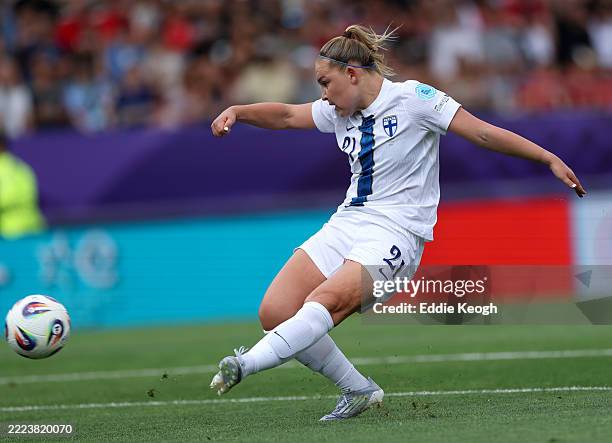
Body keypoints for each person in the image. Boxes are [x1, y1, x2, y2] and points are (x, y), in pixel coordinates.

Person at [208, 25, 586, 421]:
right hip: (347, 223)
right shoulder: (340, 109)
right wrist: (239, 111)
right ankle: (358, 389)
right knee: (275, 310)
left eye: (325, 82)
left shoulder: (413, 99)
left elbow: (483, 133)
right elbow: (286, 115)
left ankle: (245, 364)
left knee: (326, 302)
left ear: (352, 73)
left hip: (396, 233)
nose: (322, 94)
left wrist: (547, 158)